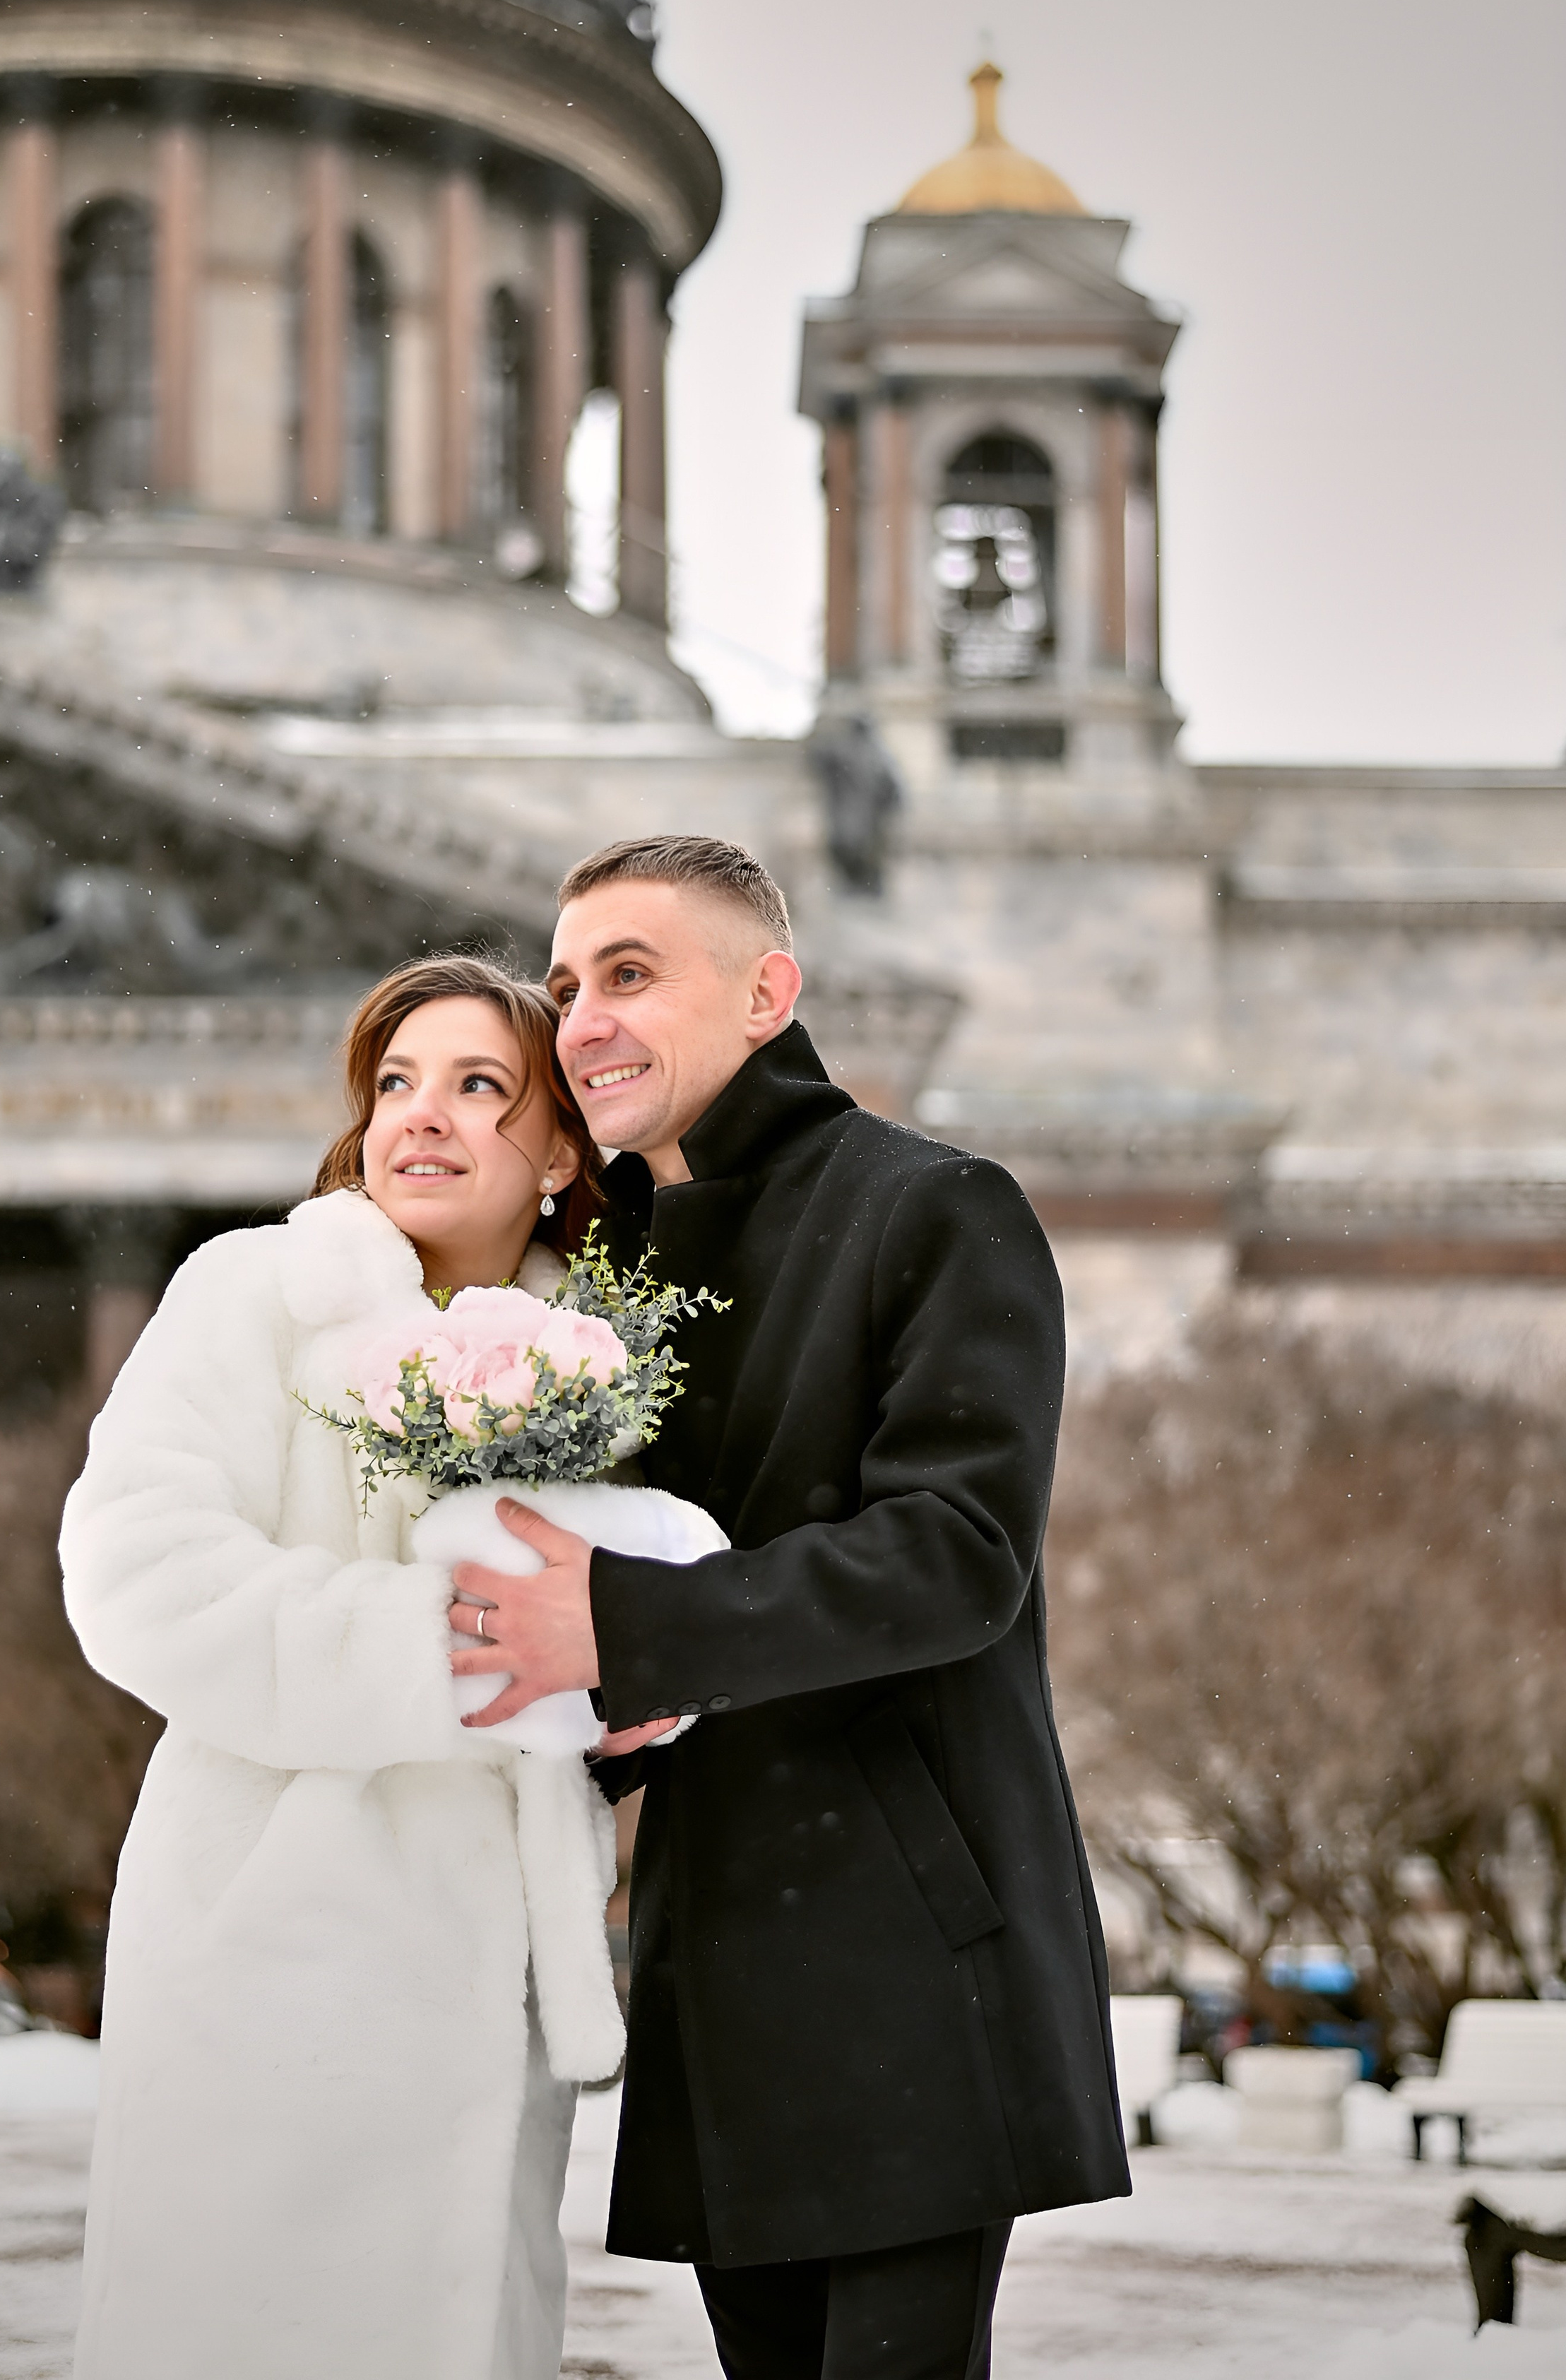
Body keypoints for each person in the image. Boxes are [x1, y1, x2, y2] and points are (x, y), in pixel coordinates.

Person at [449, 836, 1129, 2380]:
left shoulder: (935, 1208)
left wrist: (620, 1630)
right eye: (563, 989)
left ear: (768, 993)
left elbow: (956, 1558)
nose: (583, 1021)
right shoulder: (604, 1271)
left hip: (907, 1941)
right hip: (720, 1960)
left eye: (630, 974)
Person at [59, 956, 629, 2380]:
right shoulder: (251, 1295)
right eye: (394, 1083)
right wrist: (470, 1661)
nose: (420, 1117)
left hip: (493, 1983)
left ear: (558, 1146)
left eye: (477, 1086)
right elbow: (139, 1581)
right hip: (268, 1936)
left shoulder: (606, 1359)